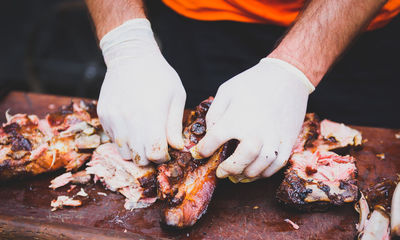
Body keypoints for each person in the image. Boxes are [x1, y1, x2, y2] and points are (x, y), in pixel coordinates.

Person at [85, 0, 400, 181]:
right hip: (201, 21)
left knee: (363, 171)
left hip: (353, 26)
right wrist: (124, 40)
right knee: (186, 153)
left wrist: (296, 67)